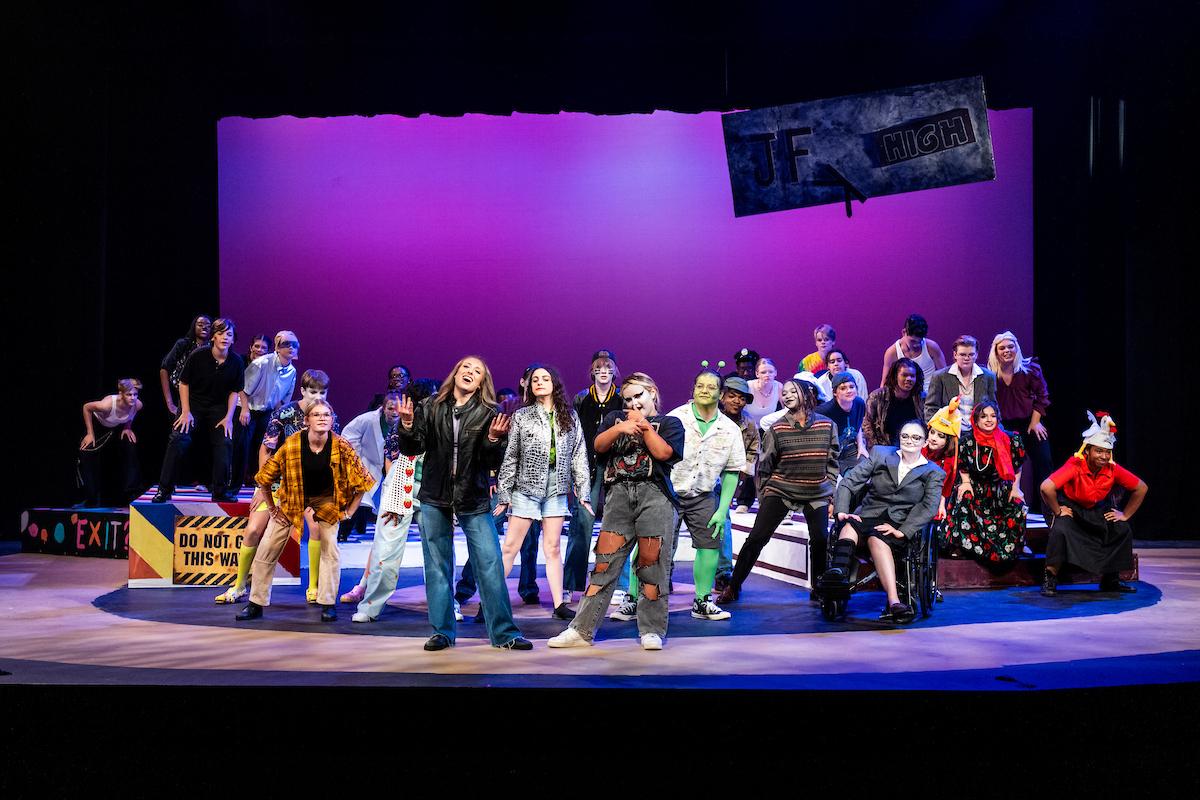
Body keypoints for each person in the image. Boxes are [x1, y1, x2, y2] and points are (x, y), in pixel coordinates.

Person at [394, 356, 532, 651]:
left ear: (482, 382)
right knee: (437, 566)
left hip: (473, 496)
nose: (470, 372)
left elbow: (492, 461)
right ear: (455, 373)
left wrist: (494, 439)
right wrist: (407, 424)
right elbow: (413, 447)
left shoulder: (488, 413)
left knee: (490, 563)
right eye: (466, 367)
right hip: (434, 495)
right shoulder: (430, 406)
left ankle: (505, 633)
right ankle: (442, 632)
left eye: (477, 371)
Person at [548, 372, 685, 651]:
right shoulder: (614, 419)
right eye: (628, 399)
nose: (633, 403)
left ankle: (651, 629)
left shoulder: (670, 423)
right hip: (619, 497)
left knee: (652, 565)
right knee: (604, 564)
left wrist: (644, 427)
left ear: (653, 393)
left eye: (639, 396)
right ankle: (581, 630)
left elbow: (663, 454)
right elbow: (598, 445)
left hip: (654, 497)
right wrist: (620, 428)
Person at [235, 399, 374, 622]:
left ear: (332, 420)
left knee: (330, 549)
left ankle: (328, 603)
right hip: (292, 497)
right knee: (268, 546)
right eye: (317, 414)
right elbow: (264, 477)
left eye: (326, 415)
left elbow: (364, 482)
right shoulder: (292, 444)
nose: (322, 418)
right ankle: (255, 603)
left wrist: (348, 512)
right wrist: (272, 508)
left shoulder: (342, 446)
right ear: (307, 420)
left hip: (326, 499)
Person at [214, 368, 337, 605]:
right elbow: (266, 449)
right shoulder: (286, 412)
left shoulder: (328, 414)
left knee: (317, 528)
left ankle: (313, 587)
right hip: (281, 484)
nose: (317, 396)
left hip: (313, 488)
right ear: (302, 390)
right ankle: (240, 585)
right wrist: (264, 488)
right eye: (313, 391)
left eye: (322, 391)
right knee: (253, 530)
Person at [717, 378, 837, 605]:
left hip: (816, 492)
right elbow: (765, 466)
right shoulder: (778, 428)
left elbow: (833, 460)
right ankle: (734, 586)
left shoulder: (828, 425)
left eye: (793, 391)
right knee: (756, 538)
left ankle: (818, 587)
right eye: (785, 392)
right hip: (782, 489)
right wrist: (765, 495)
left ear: (807, 394)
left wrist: (829, 488)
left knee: (820, 539)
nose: (787, 395)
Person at [819, 420, 945, 622]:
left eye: (916, 437)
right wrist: (842, 510)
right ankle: (838, 576)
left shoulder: (933, 472)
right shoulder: (881, 454)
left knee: (877, 538)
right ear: (899, 438)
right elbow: (850, 482)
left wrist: (903, 531)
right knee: (850, 524)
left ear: (924, 442)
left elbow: (928, 506)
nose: (909, 441)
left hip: (899, 522)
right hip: (869, 513)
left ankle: (894, 601)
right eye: (905, 436)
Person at [495, 365, 591, 621]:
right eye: (534, 379)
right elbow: (511, 455)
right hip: (526, 486)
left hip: (556, 486)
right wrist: (504, 494)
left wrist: (583, 492)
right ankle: (491, 602)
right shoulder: (522, 415)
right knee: (510, 548)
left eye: (544, 378)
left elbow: (579, 455)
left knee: (553, 547)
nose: (539, 382)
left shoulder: (568, 415)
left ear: (554, 383)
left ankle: (559, 604)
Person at [342, 379, 436, 621]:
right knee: (385, 550)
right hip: (401, 487)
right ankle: (369, 606)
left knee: (439, 552)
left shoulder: (442, 424)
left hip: (433, 489)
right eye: (429, 399)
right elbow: (392, 462)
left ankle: (446, 606)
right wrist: (391, 494)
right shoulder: (400, 427)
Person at [660, 368, 745, 621]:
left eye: (710, 387)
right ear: (693, 390)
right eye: (700, 386)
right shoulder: (675, 418)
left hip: (704, 495)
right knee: (655, 545)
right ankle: (636, 599)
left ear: (720, 394)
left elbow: (732, 472)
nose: (704, 390)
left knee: (710, 545)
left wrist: (722, 510)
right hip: (668, 492)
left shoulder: (730, 429)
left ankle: (702, 601)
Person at [1039, 411, 1147, 596]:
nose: (1103, 456)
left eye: (1107, 452)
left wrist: (1125, 515)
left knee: (1121, 529)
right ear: (1087, 451)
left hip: (1096, 510)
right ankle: (1050, 578)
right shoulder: (1075, 465)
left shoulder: (1112, 469)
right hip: (1071, 508)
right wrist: (1057, 511)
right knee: (1061, 530)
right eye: (1099, 451)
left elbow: (1141, 488)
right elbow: (1046, 487)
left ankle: (1111, 580)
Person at [153, 318, 243, 503]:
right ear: (213, 337)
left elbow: (235, 391)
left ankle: (219, 491)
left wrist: (228, 417)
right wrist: (185, 411)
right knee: (179, 439)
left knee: (225, 442)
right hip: (193, 403)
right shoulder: (198, 355)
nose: (225, 337)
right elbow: (183, 383)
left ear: (233, 339)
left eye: (229, 334)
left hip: (219, 407)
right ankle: (164, 489)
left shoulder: (236, 361)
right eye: (220, 333)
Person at [565, 349, 622, 606]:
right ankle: (571, 583)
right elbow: (572, 433)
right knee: (582, 523)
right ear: (592, 371)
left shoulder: (621, 398)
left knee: (617, 524)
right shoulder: (581, 398)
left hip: (614, 465)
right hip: (585, 465)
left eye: (607, 367)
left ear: (614, 371)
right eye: (598, 367)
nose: (603, 371)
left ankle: (614, 582)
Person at [946, 401, 1027, 563]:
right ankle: (964, 545)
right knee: (963, 495)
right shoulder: (967, 442)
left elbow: (1017, 466)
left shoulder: (1010, 439)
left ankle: (1017, 544)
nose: (989, 420)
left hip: (1000, 488)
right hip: (976, 487)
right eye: (983, 416)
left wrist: (1016, 487)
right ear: (975, 421)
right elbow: (963, 467)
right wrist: (966, 482)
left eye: (993, 416)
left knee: (1017, 502)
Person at [990, 331, 1053, 514]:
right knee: (1004, 468)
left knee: (1044, 462)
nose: (1007, 350)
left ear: (1017, 348)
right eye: (1002, 348)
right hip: (1003, 427)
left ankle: (1049, 511)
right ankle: (1004, 508)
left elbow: (1042, 396)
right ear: (996, 351)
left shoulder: (1029, 369)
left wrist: (1035, 422)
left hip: (1029, 423)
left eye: (1011, 346)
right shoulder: (990, 374)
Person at [233, 331, 299, 487]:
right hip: (246, 406)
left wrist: (278, 417)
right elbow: (242, 388)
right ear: (277, 347)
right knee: (242, 445)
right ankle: (234, 483)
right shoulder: (261, 363)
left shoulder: (292, 371)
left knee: (263, 446)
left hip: (266, 411)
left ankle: (257, 479)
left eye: (294, 345)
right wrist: (244, 410)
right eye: (286, 344)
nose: (291, 348)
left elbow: (283, 398)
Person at [714, 375, 759, 589]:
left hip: (728, 478)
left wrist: (743, 473)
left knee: (723, 521)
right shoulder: (709, 415)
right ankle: (666, 572)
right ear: (722, 396)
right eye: (732, 396)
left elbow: (753, 450)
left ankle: (724, 572)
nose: (736, 401)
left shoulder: (748, 423)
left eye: (741, 398)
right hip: (700, 476)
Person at [337, 390, 400, 541]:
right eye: (390, 408)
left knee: (386, 499)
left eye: (397, 408)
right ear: (383, 408)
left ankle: (388, 534)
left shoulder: (406, 422)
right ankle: (344, 532)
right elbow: (347, 435)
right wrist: (358, 458)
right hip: (368, 461)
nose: (394, 412)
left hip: (392, 463)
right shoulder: (367, 420)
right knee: (360, 497)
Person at [77, 378, 143, 506]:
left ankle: (132, 493)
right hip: (99, 426)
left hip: (117, 427)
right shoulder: (106, 405)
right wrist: (90, 433)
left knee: (130, 446)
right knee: (86, 452)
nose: (133, 398)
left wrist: (128, 427)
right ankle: (90, 497)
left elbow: (132, 413)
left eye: (135, 394)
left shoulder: (137, 405)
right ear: (121, 394)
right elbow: (86, 407)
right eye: (129, 394)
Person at [924, 335, 997, 430]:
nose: (967, 358)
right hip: (949, 431)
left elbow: (993, 408)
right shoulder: (940, 377)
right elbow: (931, 409)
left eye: (971, 354)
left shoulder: (988, 376)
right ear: (955, 355)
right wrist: (944, 428)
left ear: (976, 355)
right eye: (962, 354)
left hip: (980, 431)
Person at [864, 357, 925, 449]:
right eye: (904, 375)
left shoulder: (921, 398)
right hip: (884, 447)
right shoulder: (877, 396)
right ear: (895, 376)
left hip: (914, 447)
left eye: (912, 376)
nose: (909, 379)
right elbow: (867, 424)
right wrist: (876, 448)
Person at [815, 371, 868, 475]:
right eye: (843, 388)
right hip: (831, 455)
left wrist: (861, 446)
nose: (849, 391)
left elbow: (858, 425)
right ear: (835, 392)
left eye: (852, 387)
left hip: (850, 450)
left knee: (866, 474)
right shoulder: (824, 411)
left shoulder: (859, 403)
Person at [159, 314, 211, 418]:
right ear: (194, 326)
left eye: (208, 325)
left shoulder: (212, 348)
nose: (204, 327)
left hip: (201, 397)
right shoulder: (183, 344)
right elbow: (164, 369)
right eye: (200, 324)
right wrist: (169, 403)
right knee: (180, 430)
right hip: (178, 394)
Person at [881, 313, 945, 394]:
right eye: (913, 341)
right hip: (905, 397)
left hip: (930, 395)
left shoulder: (931, 347)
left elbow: (944, 376)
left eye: (920, 341)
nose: (916, 345)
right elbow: (885, 383)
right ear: (904, 332)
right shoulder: (892, 352)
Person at [922, 398, 962, 522]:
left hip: (933, 499)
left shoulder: (950, 461)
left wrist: (941, 505)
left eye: (941, 436)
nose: (934, 438)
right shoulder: (921, 451)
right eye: (932, 432)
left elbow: (946, 486)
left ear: (948, 441)